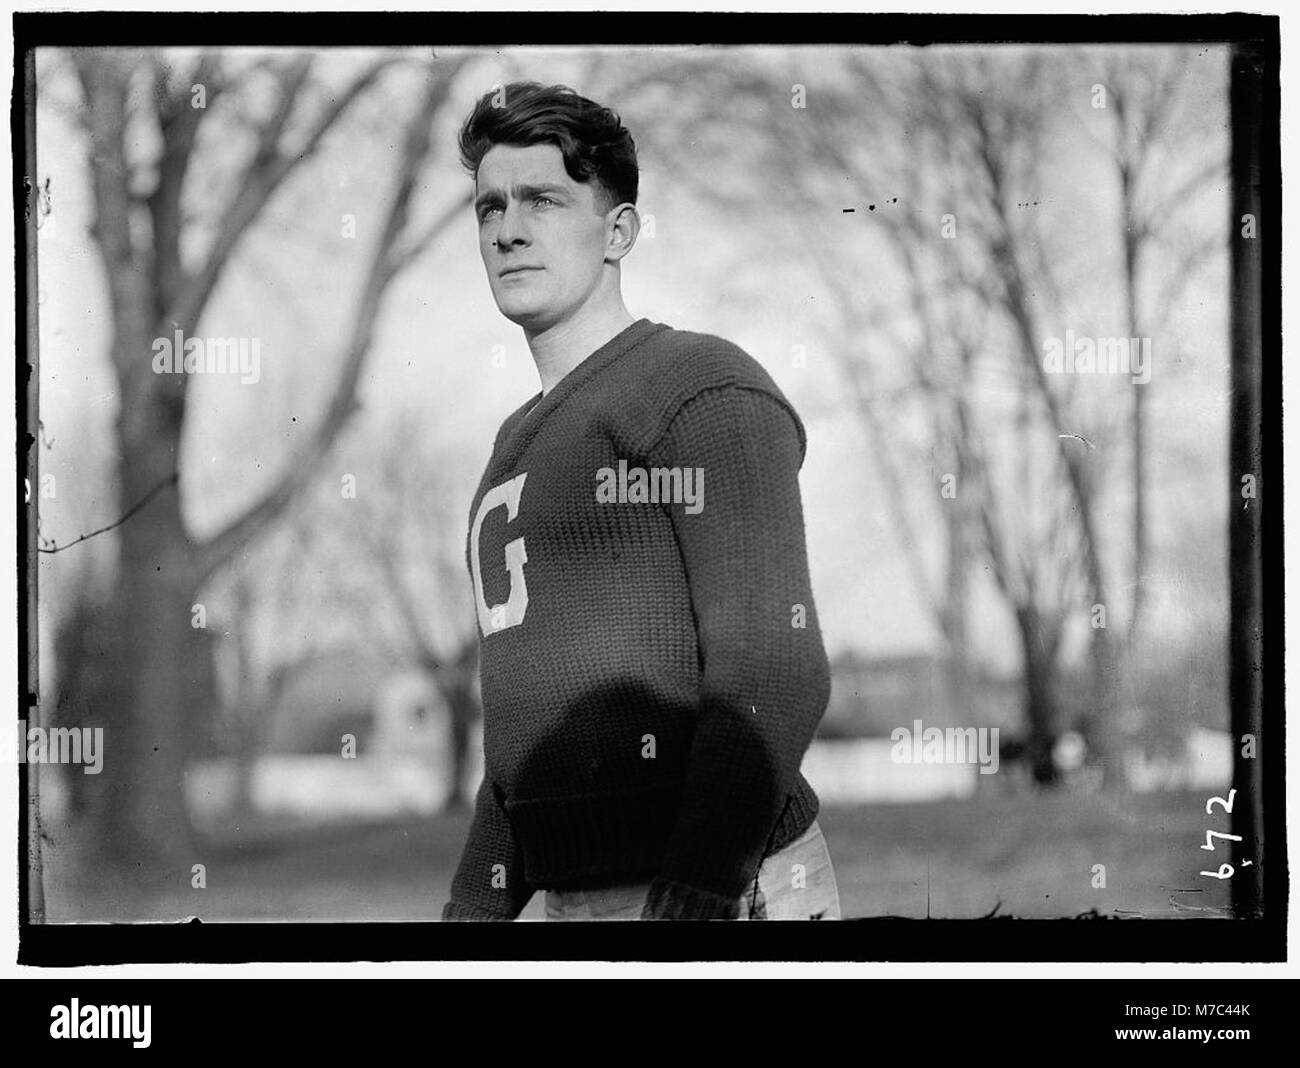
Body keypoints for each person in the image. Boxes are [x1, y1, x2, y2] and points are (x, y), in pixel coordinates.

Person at [441, 81, 839, 921]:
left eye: (543, 200)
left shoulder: (696, 386)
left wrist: (701, 883)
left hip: (722, 888)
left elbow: (774, 663)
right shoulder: (516, 442)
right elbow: (518, 750)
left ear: (618, 230)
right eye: (489, 208)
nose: (508, 229)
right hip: (569, 901)